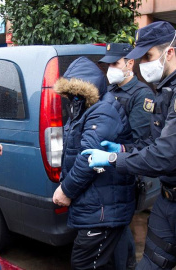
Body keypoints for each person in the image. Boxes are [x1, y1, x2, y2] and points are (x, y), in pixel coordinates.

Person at [83, 21, 176, 270]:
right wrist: (121, 150)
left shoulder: (158, 92)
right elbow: (151, 142)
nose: (145, 63)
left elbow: (165, 154)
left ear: (169, 52)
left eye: (149, 56)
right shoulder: (166, 89)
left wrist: (114, 160)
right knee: (149, 263)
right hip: (167, 200)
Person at [52, 56, 135, 270]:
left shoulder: (102, 111)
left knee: (84, 263)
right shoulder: (84, 108)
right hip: (98, 204)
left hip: (102, 209)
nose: (72, 98)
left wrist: (66, 191)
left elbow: (87, 157)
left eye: (75, 92)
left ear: (87, 89)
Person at [99, 43, 155, 270]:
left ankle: (126, 265)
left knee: (117, 225)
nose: (110, 68)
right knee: (116, 226)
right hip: (107, 170)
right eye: (108, 64)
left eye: (115, 63)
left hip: (124, 171)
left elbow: (139, 141)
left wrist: (115, 151)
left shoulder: (142, 95)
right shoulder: (110, 90)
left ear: (130, 63)